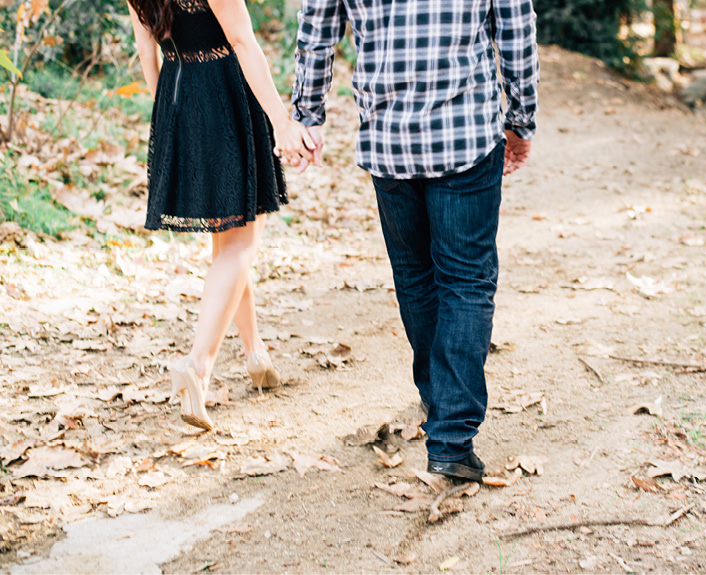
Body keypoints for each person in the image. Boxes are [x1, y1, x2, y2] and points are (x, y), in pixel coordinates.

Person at [292, 0, 539, 480]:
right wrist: (521, 118)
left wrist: (309, 112)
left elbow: (317, 26)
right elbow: (515, 28)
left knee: (414, 274)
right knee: (466, 279)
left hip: (389, 137)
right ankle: (451, 435)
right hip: (465, 133)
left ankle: (438, 397)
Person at [128, 0, 317, 431]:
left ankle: (255, 354)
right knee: (241, 245)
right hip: (226, 96)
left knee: (226, 242)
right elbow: (242, 42)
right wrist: (282, 122)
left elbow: (146, 48)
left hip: (177, 93)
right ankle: (198, 366)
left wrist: (172, 117)